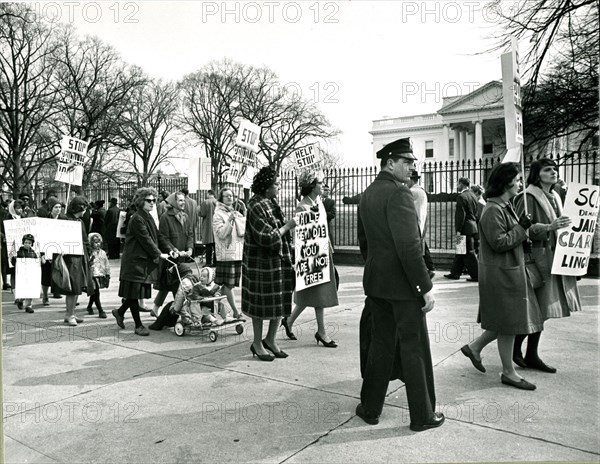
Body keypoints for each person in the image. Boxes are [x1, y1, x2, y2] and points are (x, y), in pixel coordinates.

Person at [356, 137, 442, 432]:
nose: (411, 167)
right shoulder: (400, 194)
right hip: (404, 289)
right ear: (389, 163)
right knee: (413, 349)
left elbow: (364, 245)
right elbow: (410, 248)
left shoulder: (367, 194)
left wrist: (379, 271)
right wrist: (424, 287)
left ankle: (369, 408)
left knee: (381, 346)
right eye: (406, 162)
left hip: (378, 285)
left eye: (412, 162)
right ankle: (422, 416)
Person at [460, 162, 543, 390]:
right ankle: (508, 371)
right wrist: (521, 228)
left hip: (509, 273)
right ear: (506, 182)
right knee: (509, 323)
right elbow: (499, 243)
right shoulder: (492, 210)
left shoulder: (505, 206)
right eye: (517, 180)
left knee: (506, 322)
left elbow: (517, 234)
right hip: (501, 276)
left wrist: (540, 227)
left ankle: (475, 348)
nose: (520, 184)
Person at [512, 158, 581, 372]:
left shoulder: (556, 196)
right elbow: (521, 227)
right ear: (537, 174)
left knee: (545, 309)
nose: (554, 173)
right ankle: (518, 348)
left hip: (556, 256)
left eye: (555, 169)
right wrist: (549, 227)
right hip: (537, 257)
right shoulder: (527, 196)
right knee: (537, 308)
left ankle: (530, 352)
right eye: (548, 170)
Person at [242, 167, 296, 361]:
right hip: (261, 264)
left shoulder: (271, 202)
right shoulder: (255, 206)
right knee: (260, 306)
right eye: (276, 183)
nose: (279, 186)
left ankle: (270, 340)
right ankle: (257, 343)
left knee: (278, 303)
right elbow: (266, 237)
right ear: (266, 187)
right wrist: (288, 226)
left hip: (278, 261)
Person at [281, 171, 339, 347]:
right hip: (310, 256)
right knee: (316, 294)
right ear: (313, 186)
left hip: (322, 253)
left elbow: (322, 227)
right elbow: (298, 227)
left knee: (313, 293)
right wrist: (284, 229)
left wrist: (328, 243)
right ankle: (321, 332)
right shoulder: (303, 206)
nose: (324, 185)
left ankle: (290, 321)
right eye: (321, 183)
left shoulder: (319, 203)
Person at [112, 187, 176, 336]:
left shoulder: (148, 216)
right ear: (141, 201)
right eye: (149, 200)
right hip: (134, 262)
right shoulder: (136, 218)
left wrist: (170, 249)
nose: (152, 203)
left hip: (142, 262)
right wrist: (159, 254)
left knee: (135, 293)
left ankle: (119, 312)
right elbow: (146, 240)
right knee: (134, 293)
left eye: (154, 200)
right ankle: (138, 325)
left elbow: (158, 236)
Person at [151, 191, 194, 318]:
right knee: (173, 283)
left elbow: (190, 234)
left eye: (184, 200)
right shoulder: (165, 217)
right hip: (170, 256)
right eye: (180, 200)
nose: (183, 202)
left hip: (182, 256)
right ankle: (180, 312)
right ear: (174, 202)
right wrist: (173, 250)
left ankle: (156, 308)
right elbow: (163, 238)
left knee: (168, 283)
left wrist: (190, 249)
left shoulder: (186, 216)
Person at [51, 196, 93, 326]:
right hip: (69, 257)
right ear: (80, 207)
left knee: (78, 287)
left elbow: (84, 239)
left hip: (80, 256)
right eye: (84, 208)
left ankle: (71, 313)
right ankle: (69, 314)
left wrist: (89, 252)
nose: (85, 211)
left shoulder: (79, 221)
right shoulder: (64, 219)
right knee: (72, 288)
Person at [212, 187, 245, 319]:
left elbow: (243, 230)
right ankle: (236, 312)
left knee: (229, 285)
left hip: (236, 252)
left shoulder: (235, 212)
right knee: (228, 285)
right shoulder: (218, 214)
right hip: (226, 254)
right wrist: (230, 220)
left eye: (231, 195)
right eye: (226, 196)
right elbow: (221, 234)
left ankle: (215, 300)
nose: (230, 198)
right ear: (221, 198)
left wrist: (244, 212)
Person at [445, 177, 479, 282]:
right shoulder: (473, 195)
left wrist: (458, 230)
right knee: (460, 251)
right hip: (473, 227)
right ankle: (455, 273)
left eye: (458, 184)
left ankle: (476, 275)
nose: (457, 186)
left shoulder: (461, 197)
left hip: (464, 228)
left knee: (468, 252)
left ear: (462, 184)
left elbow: (461, 215)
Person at [407, 171, 436, 278]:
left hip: (461, 232)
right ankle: (456, 270)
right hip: (468, 230)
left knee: (463, 251)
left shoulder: (412, 191)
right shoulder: (421, 191)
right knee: (463, 253)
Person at [40, 197, 67, 304]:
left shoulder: (64, 219)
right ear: (51, 208)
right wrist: (42, 253)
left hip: (60, 250)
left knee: (59, 271)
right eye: (56, 207)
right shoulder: (45, 220)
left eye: (60, 207)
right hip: (47, 249)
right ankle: (45, 296)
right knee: (46, 274)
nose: (58, 209)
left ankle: (58, 291)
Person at [11, 233, 46, 313]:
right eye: (26, 242)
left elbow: (40, 263)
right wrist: (14, 258)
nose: (27, 244)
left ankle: (28, 306)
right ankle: (20, 299)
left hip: (31, 274)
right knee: (23, 288)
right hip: (22, 274)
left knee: (30, 289)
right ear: (23, 242)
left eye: (29, 243)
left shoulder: (34, 253)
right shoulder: (19, 252)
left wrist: (42, 258)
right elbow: (14, 264)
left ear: (32, 244)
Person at [1, 199, 24, 291]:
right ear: (13, 209)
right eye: (18, 208)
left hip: (22, 247)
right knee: (13, 269)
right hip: (10, 247)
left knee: (21, 270)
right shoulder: (6, 219)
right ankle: (14, 291)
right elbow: (1, 231)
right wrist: (3, 237)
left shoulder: (24, 218)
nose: (20, 210)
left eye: (21, 208)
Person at [86, 232, 110, 318]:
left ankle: (89, 307)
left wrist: (107, 274)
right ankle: (101, 310)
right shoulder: (89, 253)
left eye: (99, 242)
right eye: (95, 242)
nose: (97, 244)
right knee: (96, 292)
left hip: (100, 274)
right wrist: (90, 260)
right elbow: (87, 264)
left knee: (94, 293)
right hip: (93, 275)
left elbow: (106, 263)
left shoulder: (103, 253)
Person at [199, 190, 217, 266]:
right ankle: (216, 262)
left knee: (208, 246)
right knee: (216, 246)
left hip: (208, 226)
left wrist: (199, 210)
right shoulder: (217, 202)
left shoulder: (205, 202)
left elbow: (202, 213)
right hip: (216, 225)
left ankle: (208, 262)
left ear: (209, 194)